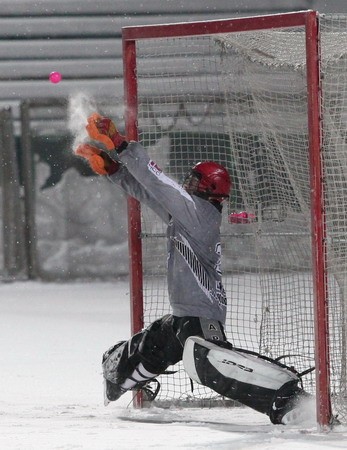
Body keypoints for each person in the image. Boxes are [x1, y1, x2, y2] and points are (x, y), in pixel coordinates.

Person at [75, 113, 312, 425]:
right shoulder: (188, 215)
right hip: (183, 315)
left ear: (210, 189)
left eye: (195, 181)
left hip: (202, 317)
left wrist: (119, 144)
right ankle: (120, 379)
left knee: (205, 361)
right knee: (156, 343)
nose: (188, 184)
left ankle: (288, 401)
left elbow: (157, 182)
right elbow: (150, 193)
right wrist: (115, 171)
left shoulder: (200, 215)